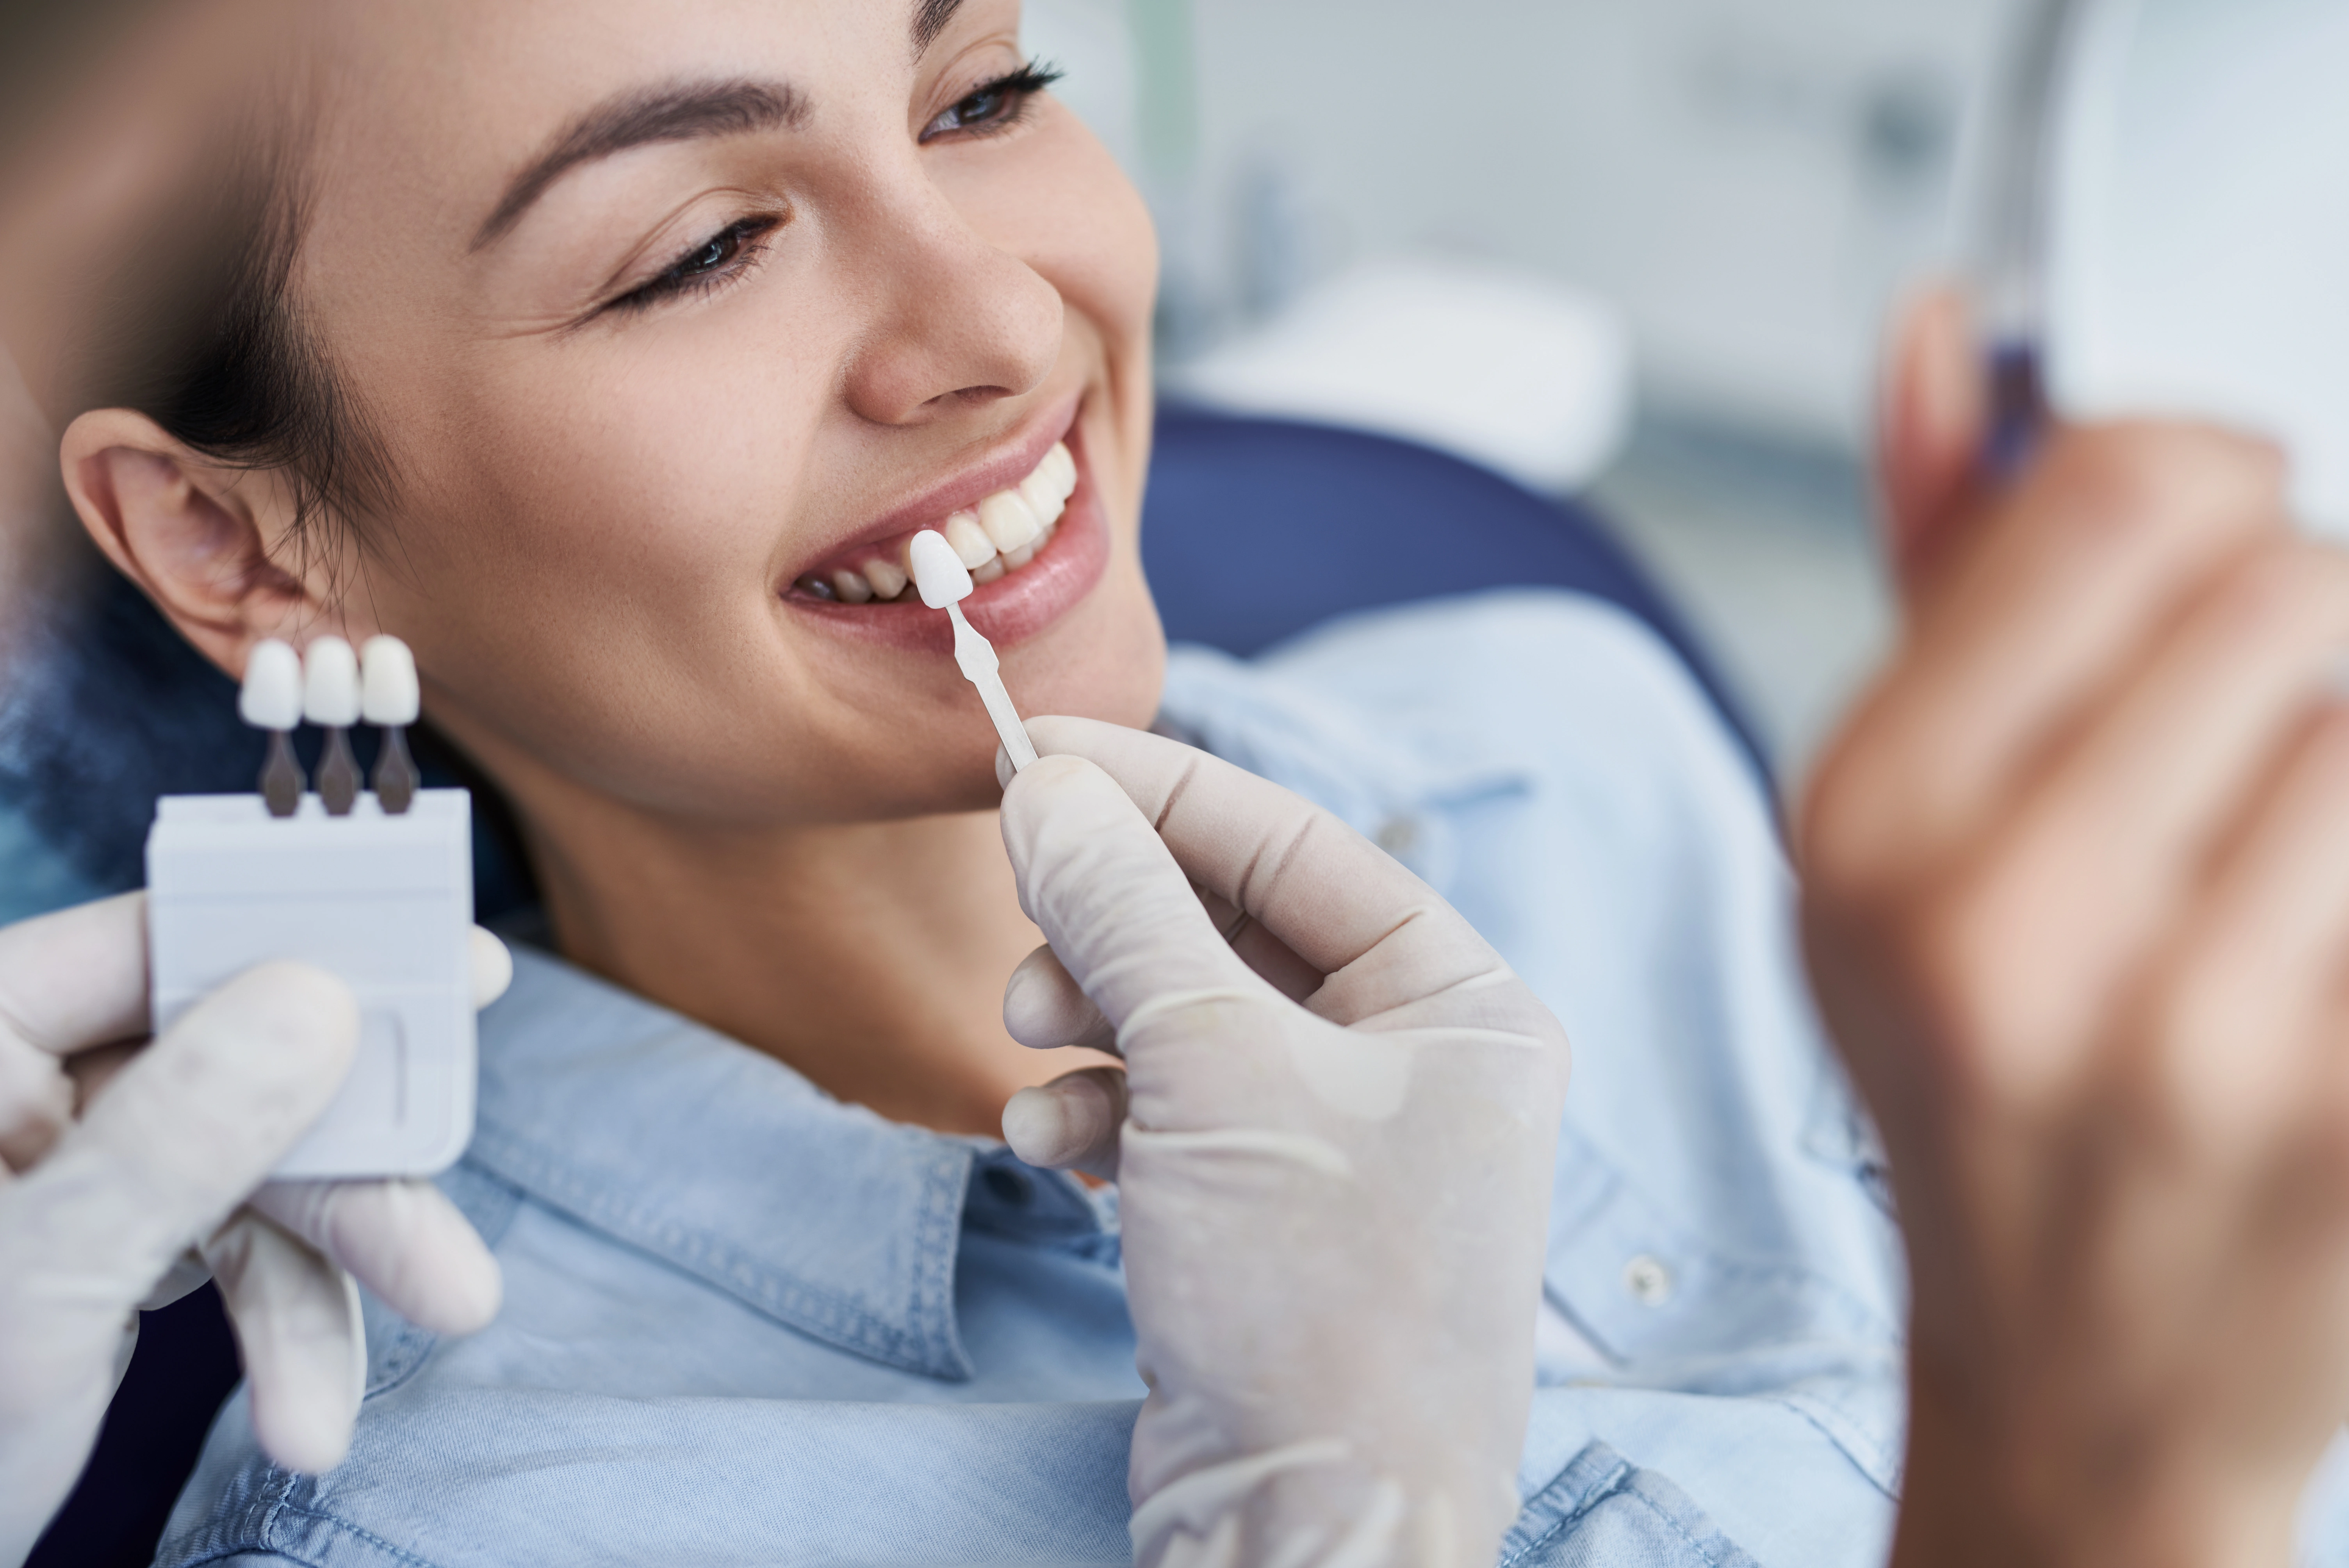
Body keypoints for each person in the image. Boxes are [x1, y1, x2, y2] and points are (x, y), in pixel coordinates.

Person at [7, 2, 2349, 1565]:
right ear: (240, 538)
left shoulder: (1564, 723)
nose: (1006, 323)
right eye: (706, 248)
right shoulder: (458, 1519)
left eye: (981, 95)